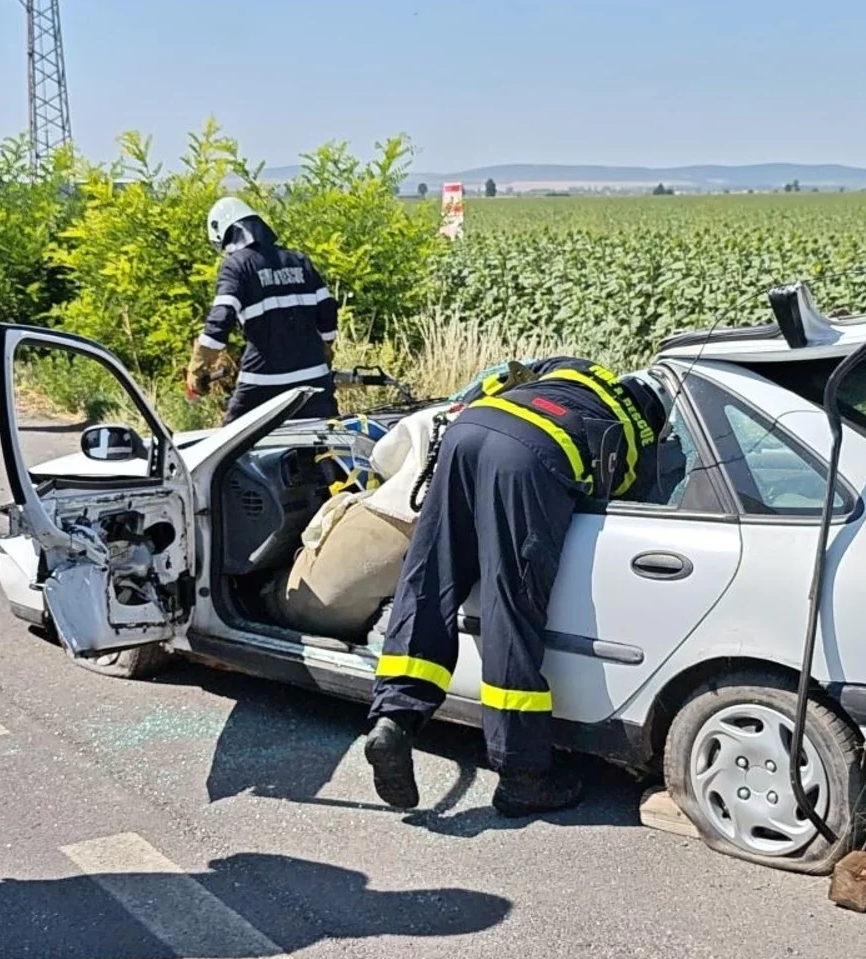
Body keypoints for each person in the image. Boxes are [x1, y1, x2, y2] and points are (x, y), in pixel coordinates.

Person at [361, 357, 665, 816]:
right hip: (528, 459)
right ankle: (523, 776)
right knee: (512, 604)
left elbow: (500, 374)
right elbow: (617, 495)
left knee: (429, 576)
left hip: (469, 431)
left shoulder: (577, 369)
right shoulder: (639, 432)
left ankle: (394, 719)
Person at [188, 197, 340, 423]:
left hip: (263, 381)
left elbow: (221, 318)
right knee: (325, 445)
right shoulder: (299, 260)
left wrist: (199, 365)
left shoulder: (236, 266)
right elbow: (327, 311)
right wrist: (324, 347)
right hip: (315, 379)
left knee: (229, 446)